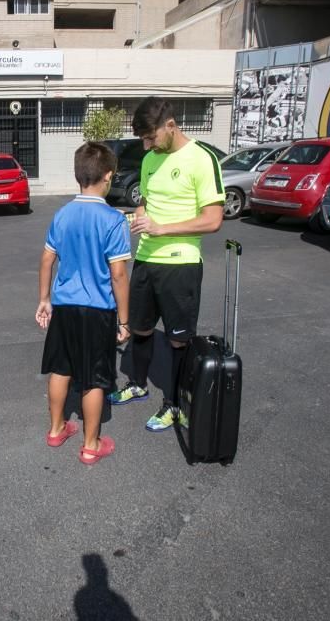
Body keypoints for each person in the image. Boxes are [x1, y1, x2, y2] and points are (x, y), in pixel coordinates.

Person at [106, 97, 224, 432]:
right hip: (146, 260)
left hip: (181, 265)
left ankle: (174, 404)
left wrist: (163, 228)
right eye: (143, 140)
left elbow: (213, 219)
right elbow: (145, 201)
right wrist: (138, 218)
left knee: (177, 340)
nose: (146, 145)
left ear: (170, 125)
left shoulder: (202, 159)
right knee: (140, 329)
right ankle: (138, 385)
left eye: (151, 138)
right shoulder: (150, 160)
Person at [36, 142, 131, 465]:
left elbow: (47, 259)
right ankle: (91, 445)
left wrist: (45, 299)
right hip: (97, 310)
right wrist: (124, 319)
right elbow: (118, 274)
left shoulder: (62, 215)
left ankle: (56, 428)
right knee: (92, 377)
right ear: (107, 176)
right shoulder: (114, 220)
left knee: (61, 368)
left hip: (64, 306)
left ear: (78, 175)